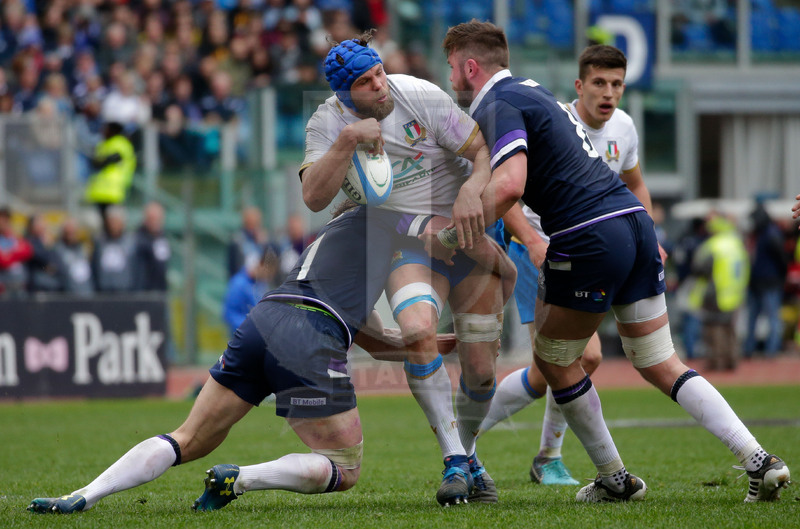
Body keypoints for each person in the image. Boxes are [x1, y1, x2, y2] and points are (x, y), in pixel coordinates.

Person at [441, 20, 789, 503]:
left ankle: (613, 478)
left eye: (452, 68)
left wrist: (450, 236)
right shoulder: (531, 89)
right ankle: (759, 460)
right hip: (635, 225)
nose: (451, 79)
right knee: (659, 361)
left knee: (554, 359)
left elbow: (510, 186)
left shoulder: (496, 102)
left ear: (469, 66)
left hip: (588, 235)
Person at [26, 203, 506, 515]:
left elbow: (373, 340)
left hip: (264, 319)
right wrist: (509, 264)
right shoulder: (389, 213)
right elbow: (450, 237)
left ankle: (83, 496)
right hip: (309, 333)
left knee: (188, 438)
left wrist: (425, 344)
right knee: (344, 467)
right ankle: (242, 479)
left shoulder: (334, 235)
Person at [300, 33, 512, 505]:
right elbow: (314, 197)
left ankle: (470, 454)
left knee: (479, 373)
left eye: (379, 72)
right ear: (343, 94)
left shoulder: (417, 93)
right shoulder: (326, 124)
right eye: (366, 81)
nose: (380, 86)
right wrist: (349, 139)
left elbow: (481, 153)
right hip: (410, 242)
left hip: (469, 236)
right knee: (417, 331)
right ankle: (454, 459)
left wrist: (469, 192)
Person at [476, 44, 668, 486]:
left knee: (554, 367)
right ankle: (474, 444)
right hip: (542, 250)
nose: (609, 93)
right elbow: (507, 188)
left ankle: (502, 447)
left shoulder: (624, 127)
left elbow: (635, 183)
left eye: (617, 84)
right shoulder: (553, 119)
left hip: (594, 249)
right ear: (579, 86)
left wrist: (649, 234)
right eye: (599, 83)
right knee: (581, 357)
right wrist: (530, 240)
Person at [689, 214, 749, 371]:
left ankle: (716, 362)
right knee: (729, 328)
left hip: (714, 293)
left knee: (713, 329)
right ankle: (731, 360)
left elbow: (699, 269)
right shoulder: (737, 244)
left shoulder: (713, 246)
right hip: (734, 294)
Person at [743, 201, 789, 358]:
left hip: (770, 283)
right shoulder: (760, 234)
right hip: (756, 282)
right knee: (753, 318)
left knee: (772, 318)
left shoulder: (771, 234)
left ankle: (772, 350)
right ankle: (750, 349)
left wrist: (780, 278)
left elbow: (782, 260)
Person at [84, 121, 137, 234]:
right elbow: (95, 162)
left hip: (114, 193)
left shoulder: (121, 143)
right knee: (101, 230)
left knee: (114, 227)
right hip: (98, 193)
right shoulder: (103, 144)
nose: (103, 131)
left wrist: (100, 160)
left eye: (106, 129)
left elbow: (107, 160)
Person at [222, 246, 279, 337]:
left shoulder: (261, 285)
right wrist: (251, 326)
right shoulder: (238, 284)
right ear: (261, 264)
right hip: (242, 341)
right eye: (268, 273)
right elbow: (228, 314)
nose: (268, 277)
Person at [91, 206, 135, 292]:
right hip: (103, 291)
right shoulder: (99, 242)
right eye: (111, 221)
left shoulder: (131, 242)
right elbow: (94, 266)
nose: (114, 225)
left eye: (116, 221)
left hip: (125, 290)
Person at [132, 201, 171, 292]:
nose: (155, 222)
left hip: (161, 290)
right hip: (144, 291)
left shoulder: (162, 238)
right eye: (152, 218)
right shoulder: (138, 239)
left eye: (158, 218)